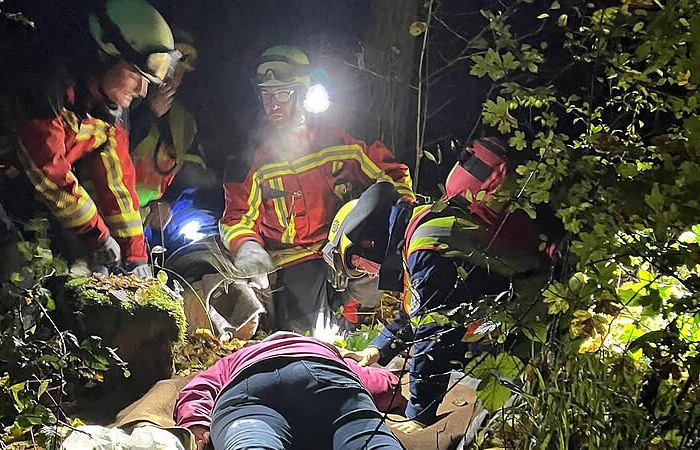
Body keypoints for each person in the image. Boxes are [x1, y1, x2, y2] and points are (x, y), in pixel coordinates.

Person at [325, 138, 560, 427]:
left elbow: (434, 334)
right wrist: (375, 350)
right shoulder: (419, 228)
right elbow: (415, 312)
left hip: (535, 319)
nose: (369, 273)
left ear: (369, 242)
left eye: (359, 264)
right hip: (522, 314)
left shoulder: (425, 247)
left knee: (511, 418)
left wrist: (418, 417)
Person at [219, 45, 414, 333]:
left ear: (302, 94)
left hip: (341, 247)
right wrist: (247, 247)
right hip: (293, 258)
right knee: (311, 334)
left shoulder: (338, 139)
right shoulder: (250, 157)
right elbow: (236, 217)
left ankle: (359, 317)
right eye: (266, 95)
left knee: (374, 280)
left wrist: (402, 217)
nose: (273, 104)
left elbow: (390, 174)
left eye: (282, 94)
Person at [12, 0, 182, 277]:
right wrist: (99, 236)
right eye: (136, 75)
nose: (142, 91)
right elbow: (48, 170)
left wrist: (136, 257)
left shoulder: (109, 111)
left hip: (28, 194)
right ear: (106, 54)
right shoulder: (49, 85)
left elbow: (118, 184)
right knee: (13, 263)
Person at [173, 332, 407, 450]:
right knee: (371, 440)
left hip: (249, 387)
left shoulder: (235, 358)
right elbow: (386, 389)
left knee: (250, 441)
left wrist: (196, 424)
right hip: (325, 377)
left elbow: (198, 387)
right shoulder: (322, 350)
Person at [128, 31, 209, 237]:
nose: (171, 77)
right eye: (168, 68)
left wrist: (168, 202)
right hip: (107, 210)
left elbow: (190, 174)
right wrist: (149, 114)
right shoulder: (125, 100)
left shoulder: (184, 120)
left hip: (146, 221)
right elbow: (112, 150)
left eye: (179, 72)